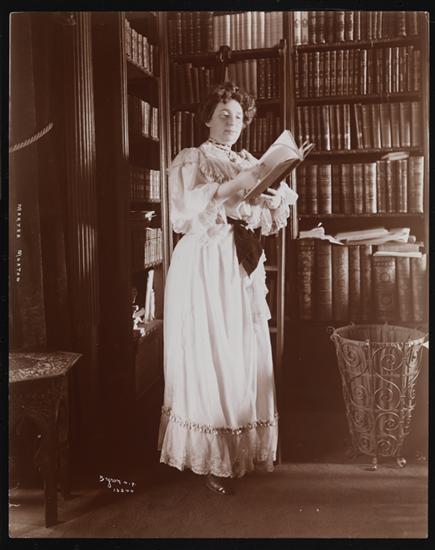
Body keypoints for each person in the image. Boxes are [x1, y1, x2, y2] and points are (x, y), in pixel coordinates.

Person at [158, 82, 297, 495]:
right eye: (224, 115)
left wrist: (270, 196)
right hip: (205, 261)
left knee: (240, 350)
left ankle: (240, 447)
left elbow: (267, 216)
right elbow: (185, 210)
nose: (232, 123)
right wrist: (240, 185)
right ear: (207, 118)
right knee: (210, 350)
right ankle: (213, 457)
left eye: (238, 116)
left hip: (239, 265)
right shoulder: (192, 158)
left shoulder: (248, 160)